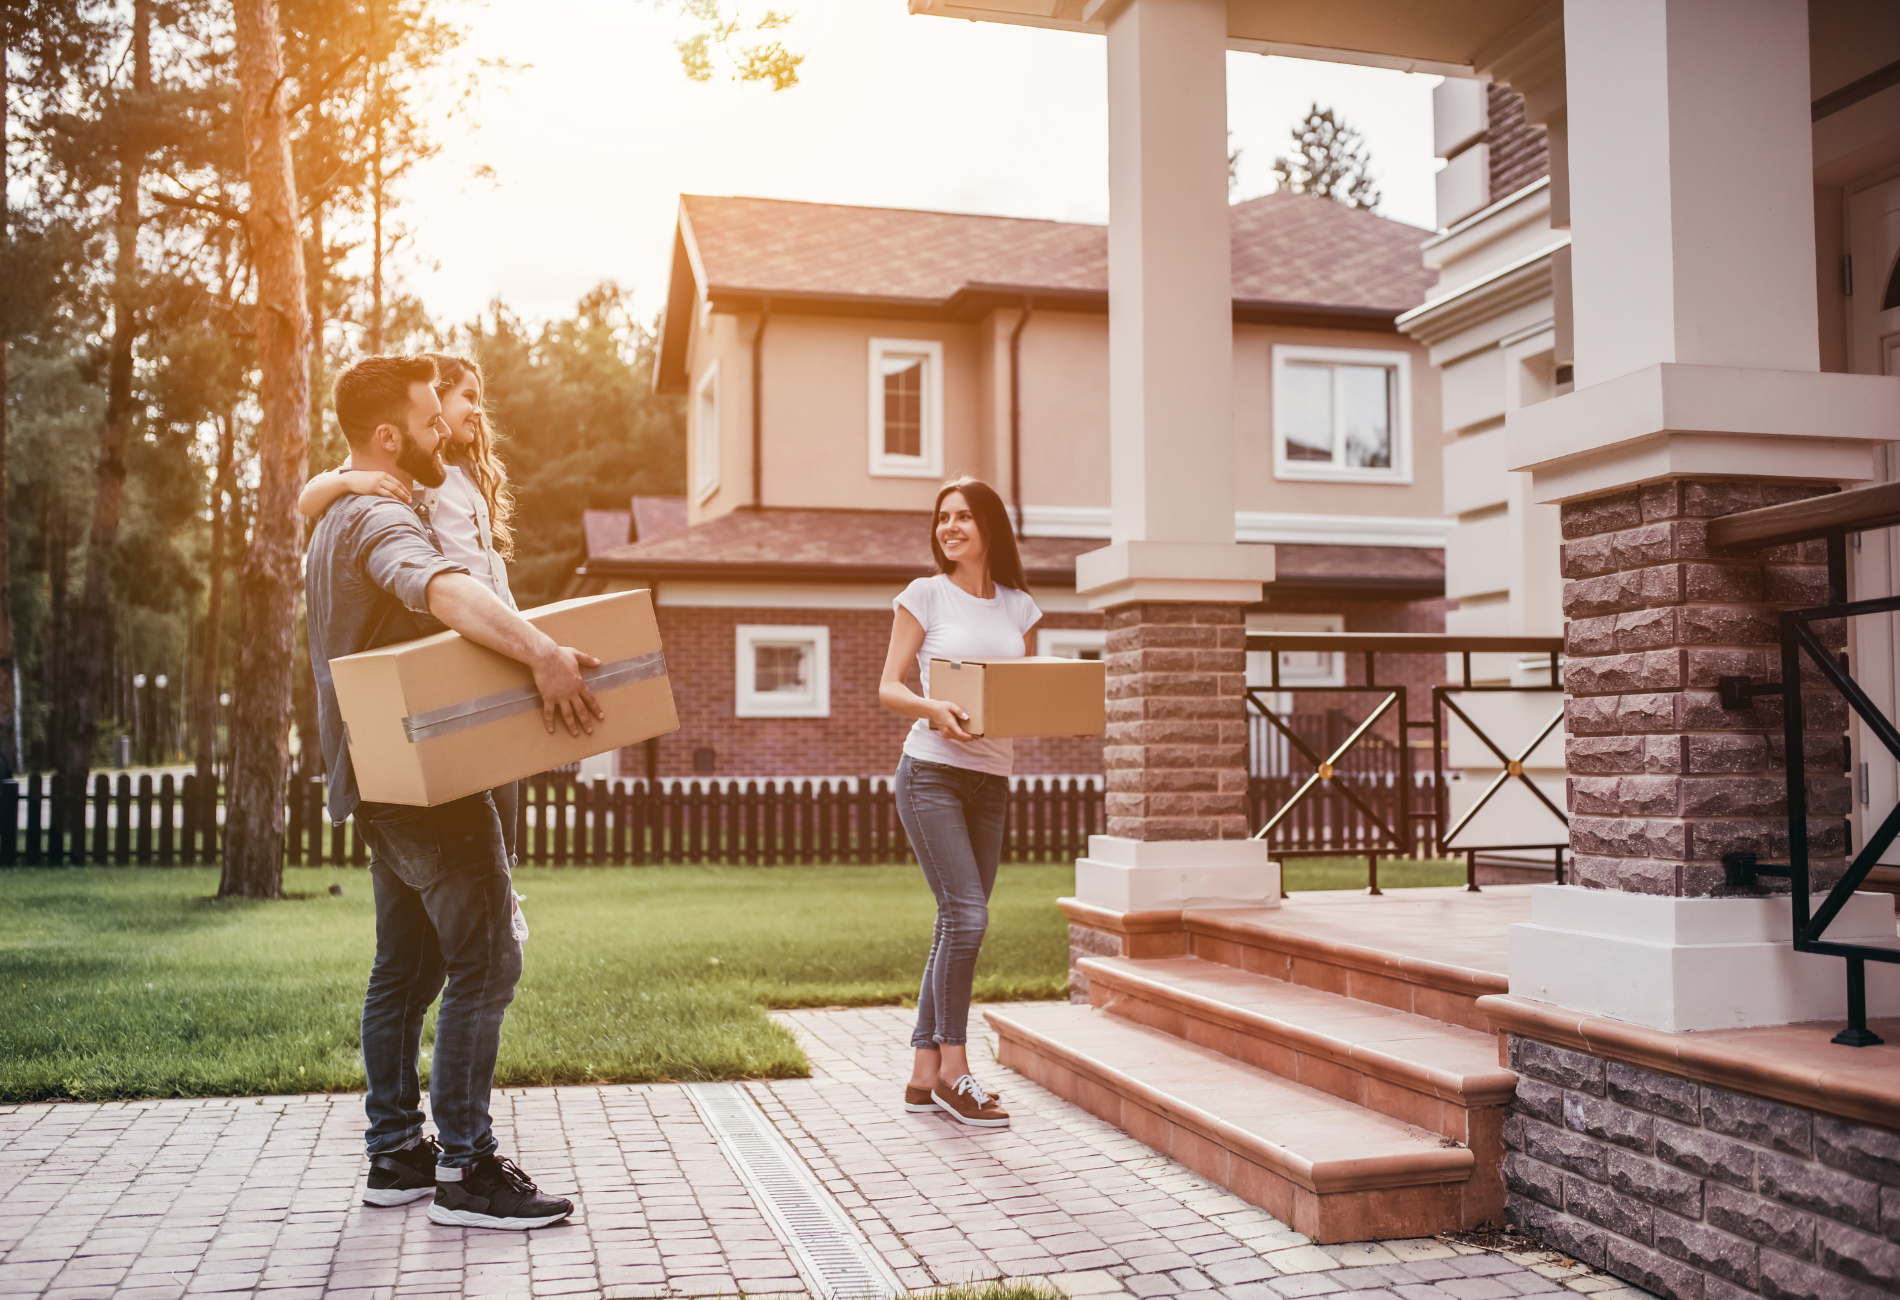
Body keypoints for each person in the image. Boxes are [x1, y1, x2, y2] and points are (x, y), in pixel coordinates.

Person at [305, 354, 602, 1230]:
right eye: (432, 422)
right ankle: (468, 1171)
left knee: (406, 968)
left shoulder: (337, 516)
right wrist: (543, 653)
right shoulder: (376, 520)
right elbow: (441, 587)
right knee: (485, 961)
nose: (449, 432)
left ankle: (396, 1155)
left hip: (376, 775)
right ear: (391, 435)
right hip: (427, 786)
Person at [299, 354, 522, 866]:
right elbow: (307, 498)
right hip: (460, 631)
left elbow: (490, 573)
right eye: (465, 397)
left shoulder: (463, 476)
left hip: (495, 627)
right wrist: (349, 482)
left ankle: (504, 882)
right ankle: (498, 895)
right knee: (481, 797)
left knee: (505, 793)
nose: (474, 412)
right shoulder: (409, 477)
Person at [878, 477, 1040, 1128]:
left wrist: (1065, 718)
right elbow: (889, 687)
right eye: (943, 517)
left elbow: (1021, 697)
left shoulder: (1020, 608)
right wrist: (932, 707)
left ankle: (923, 1074)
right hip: (932, 773)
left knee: (957, 921)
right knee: (967, 918)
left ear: (989, 528)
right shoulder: (925, 595)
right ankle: (955, 1069)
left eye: (964, 517)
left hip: (991, 780)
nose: (950, 527)